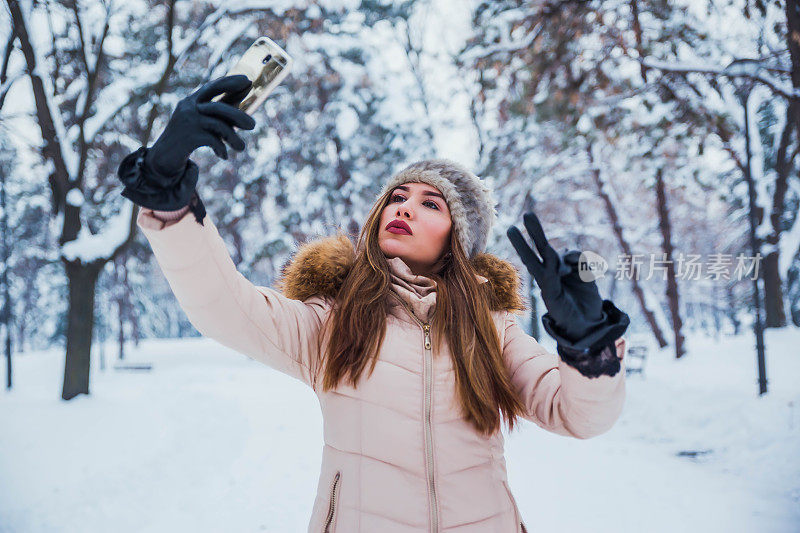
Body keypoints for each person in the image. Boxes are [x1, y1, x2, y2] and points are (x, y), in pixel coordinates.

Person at [117, 75, 630, 533]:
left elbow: (580, 417)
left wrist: (588, 348)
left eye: (431, 203)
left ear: (460, 237)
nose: (404, 206)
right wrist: (167, 195)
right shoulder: (334, 321)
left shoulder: (491, 330)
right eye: (397, 197)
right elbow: (225, 308)